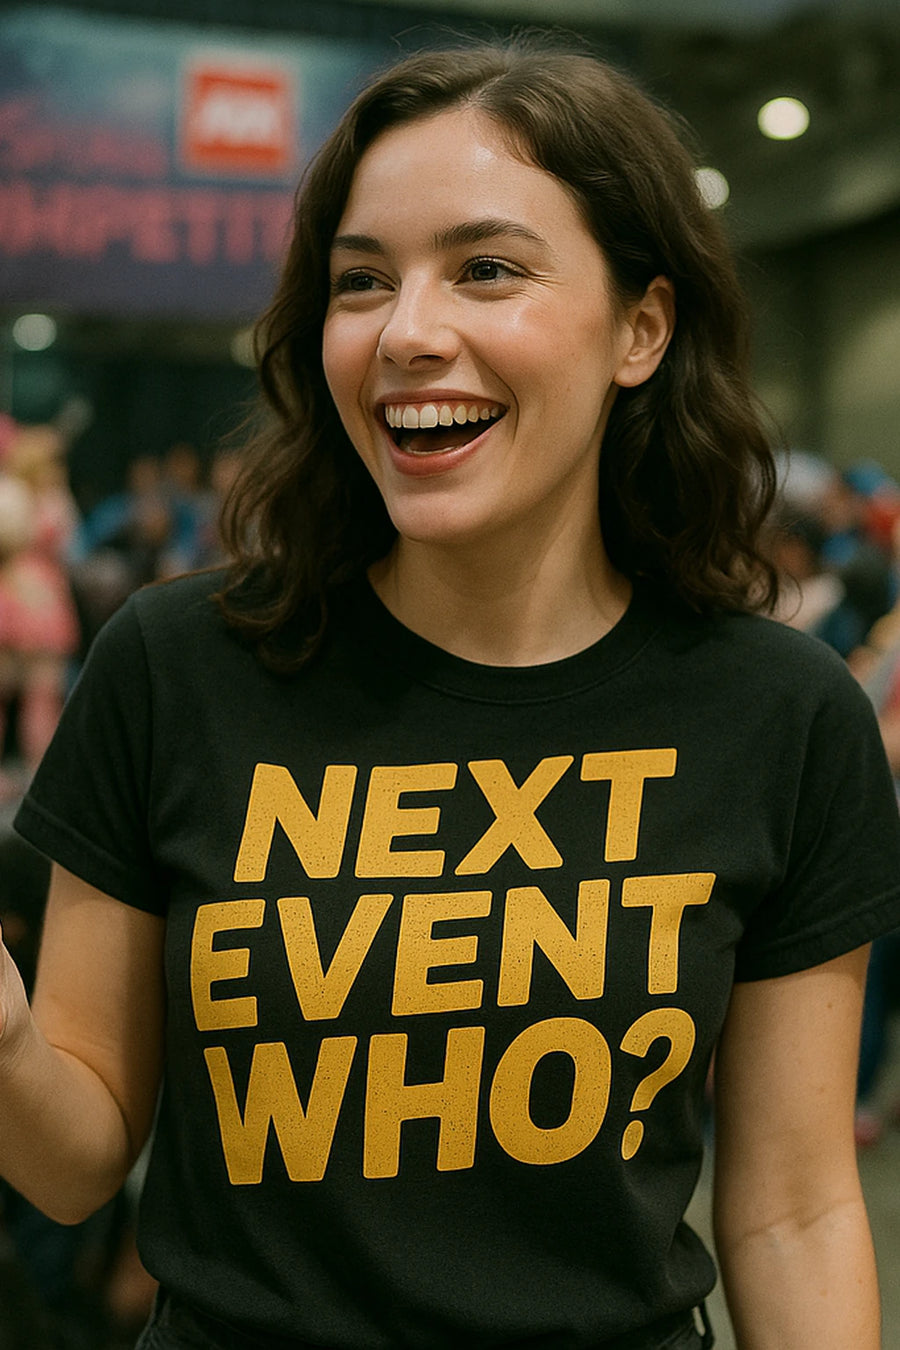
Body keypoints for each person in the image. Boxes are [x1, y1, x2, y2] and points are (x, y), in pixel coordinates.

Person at [0, 36, 899, 1350]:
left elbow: (797, 1208)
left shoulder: (782, 710)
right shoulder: (174, 664)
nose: (408, 333)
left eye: (486, 268)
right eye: (362, 282)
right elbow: (75, 1157)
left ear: (641, 328)